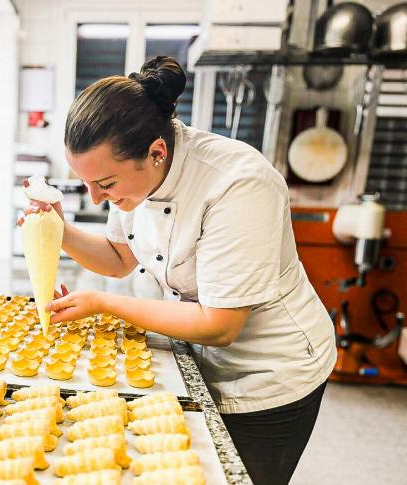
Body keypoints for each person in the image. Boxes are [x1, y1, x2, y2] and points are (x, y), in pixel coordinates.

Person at [19, 56, 337, 485]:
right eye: (87, 185)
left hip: (269, 373)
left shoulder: (237, 185)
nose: (96, 200)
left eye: (107, 185)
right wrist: (58, 229)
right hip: (199, 352)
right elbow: (118, 259)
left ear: (156, 152)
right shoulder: (135, 179)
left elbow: (220, 324)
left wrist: (101, 304)